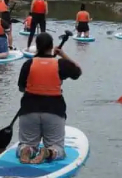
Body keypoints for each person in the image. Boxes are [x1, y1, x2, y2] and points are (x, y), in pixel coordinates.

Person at [16, 32, 82, 164]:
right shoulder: (60, 64)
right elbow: (77, 72)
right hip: (54, 111)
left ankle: (27, 150)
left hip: (29, 110)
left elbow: (21, 88)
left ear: (37, 47)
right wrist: (63, 55)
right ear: (51, 46)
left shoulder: (28, 64)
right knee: (58, 148)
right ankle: (49, 152)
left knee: (25, 144)